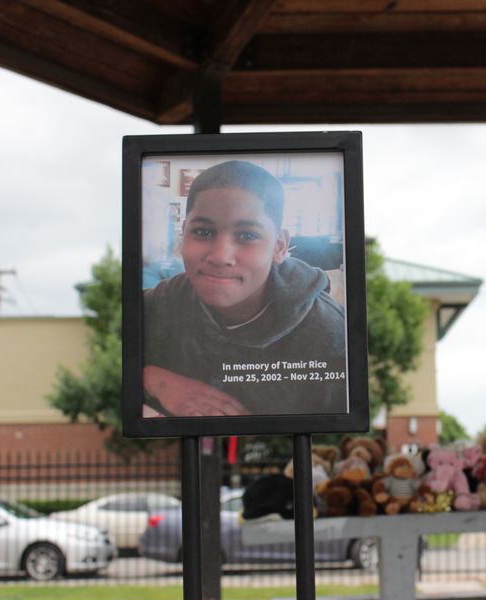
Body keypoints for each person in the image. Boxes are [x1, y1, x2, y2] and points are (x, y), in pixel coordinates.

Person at [143, 160, 347, 417]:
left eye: (247, 235)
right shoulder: (162, 303)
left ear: (279, 246)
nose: (220, 256)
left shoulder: (330, 335)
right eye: (203, 232)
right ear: (185, 233)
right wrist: (154, 379)